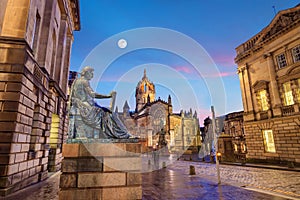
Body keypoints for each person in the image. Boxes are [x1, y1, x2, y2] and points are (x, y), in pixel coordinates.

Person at [69, 66, 131, 139]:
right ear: (86, 73)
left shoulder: (76, 81)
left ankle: (121, 133)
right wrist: (108, 96)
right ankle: (122, 134)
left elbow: (72, 97)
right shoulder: (84, 81)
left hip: (82, 106)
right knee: (110, 114)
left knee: (107, 111)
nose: (92, 75)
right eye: (91, 73)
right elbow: (93, 94)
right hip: (85, 108)